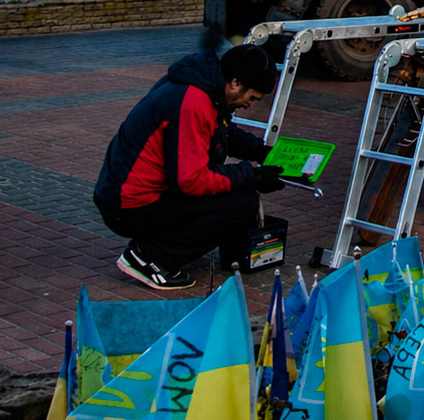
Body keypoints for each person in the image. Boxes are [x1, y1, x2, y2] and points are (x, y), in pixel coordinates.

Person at [93, 44, 282, 290]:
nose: (250, 105)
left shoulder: (201, 86)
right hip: (128, 205)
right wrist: (253, 175)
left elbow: (221, 132)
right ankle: (149, 258)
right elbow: (192, 180)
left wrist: (260, 152)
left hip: (126, 195)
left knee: (237, 192)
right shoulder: (193, 102)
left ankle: (157, 245)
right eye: (252, 97)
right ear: (235, 83)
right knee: (241, 204)